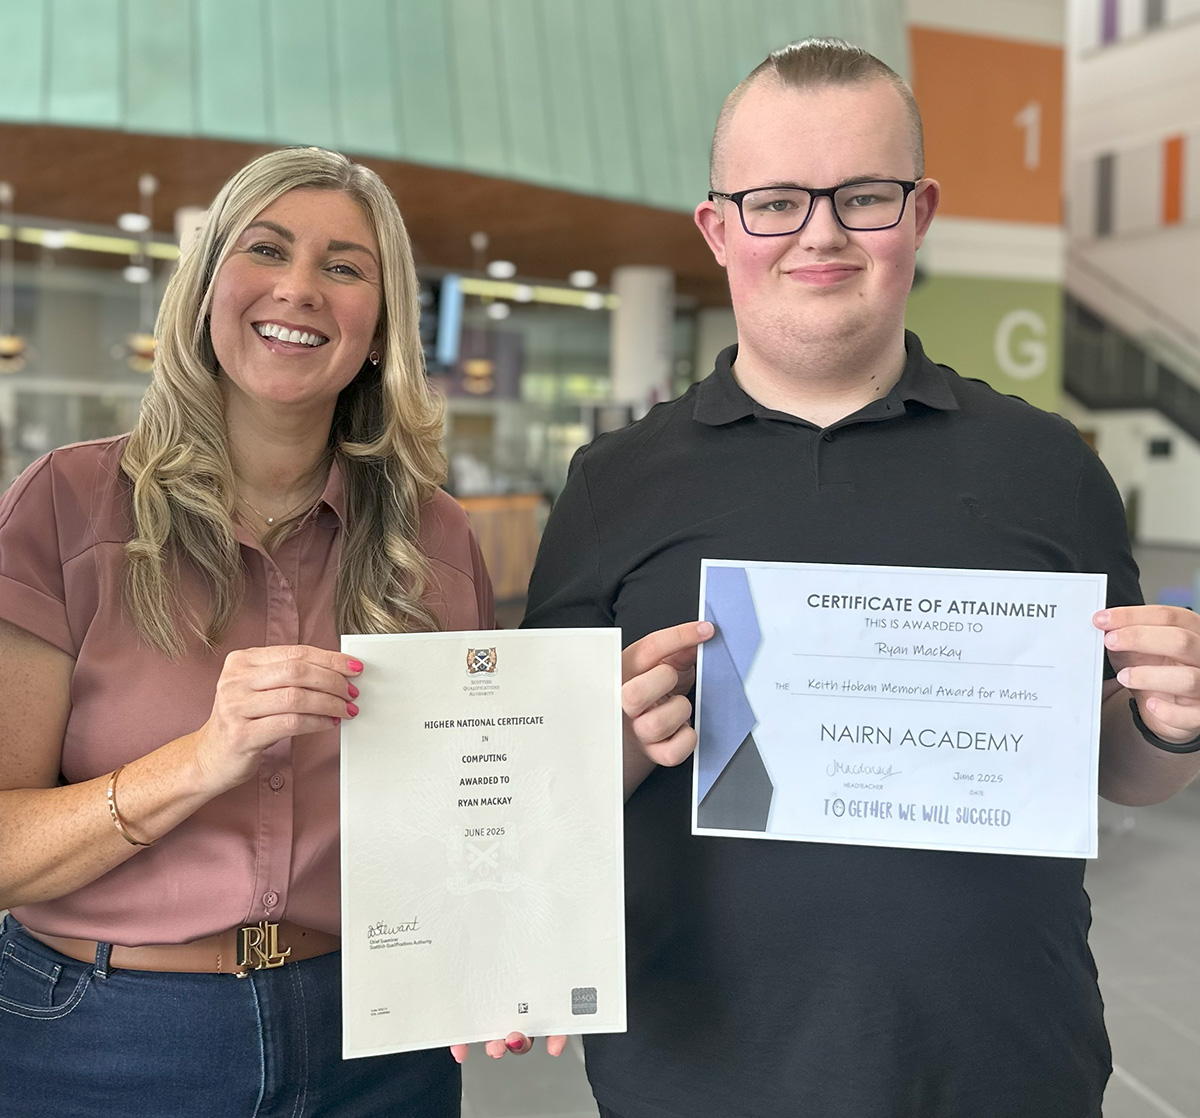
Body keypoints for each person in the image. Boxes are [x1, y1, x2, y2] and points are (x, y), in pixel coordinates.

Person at [523, 39, 1200, 1118]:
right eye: (776, 201)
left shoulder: (1048, 467)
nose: (822, 234)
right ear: (718, 228)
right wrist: (619, 739)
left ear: (920, 212)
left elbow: (1116, 766)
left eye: (865, 195)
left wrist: (1171, 722)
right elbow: (539, 798)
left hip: (1002, 1063)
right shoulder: (614, 484)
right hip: (696, 1072)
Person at [0, 146, 694, 1117]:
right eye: (267, 249)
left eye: (344, 266)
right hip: (105, 1034)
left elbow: (465, 815)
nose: (299, 288)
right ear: (206, 288)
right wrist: (201, 759)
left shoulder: (432, 537)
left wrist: (602, 745)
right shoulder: (64, 506)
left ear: (378, 325)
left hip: (370, 1040)